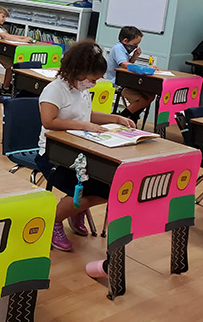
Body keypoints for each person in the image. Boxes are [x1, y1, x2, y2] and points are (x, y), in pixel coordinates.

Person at [35, 40, 135, 252]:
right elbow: (49, 121)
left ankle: (76, 208)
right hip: (53, 154)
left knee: (107, 188)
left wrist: (115, 118)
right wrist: (84, 125)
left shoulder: (80, 89)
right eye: (92, 79)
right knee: (84, 192)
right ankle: (54, 221)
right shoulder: (55, 90)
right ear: (77, 71)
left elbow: (86, 115)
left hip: (80, 152)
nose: (94, 84)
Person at [105, 25, 156, 124]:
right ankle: (124, 116)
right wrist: (144, 69)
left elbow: (128, 63)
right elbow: (124, 64)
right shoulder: (118, 48)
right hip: (117, 82)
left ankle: (132, 116)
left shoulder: (123, 49)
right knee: (146, 98)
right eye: (135, 44)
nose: (136, 47)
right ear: (125, 41)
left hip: (126, 81)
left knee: (150, 93)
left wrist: (135, 56)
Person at [0, 5, 33, 95]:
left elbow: (7, 35)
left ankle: (9, 85)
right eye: (3, 17)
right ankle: (6, 87)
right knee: (11, 64)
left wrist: (23, 37)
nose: (4, 19)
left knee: (14, 59)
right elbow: (5, 36)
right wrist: (24, 40)